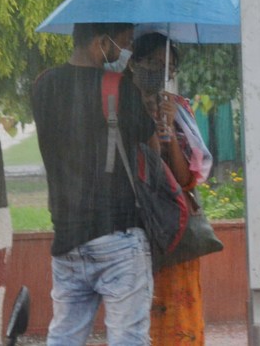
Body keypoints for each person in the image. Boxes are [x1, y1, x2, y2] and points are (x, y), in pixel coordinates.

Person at [31, 22, 158, 346]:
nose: (124, 52)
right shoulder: (118, 86)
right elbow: (152, 147)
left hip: (67, 238)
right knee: (127, 339)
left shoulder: (43, 85)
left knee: (64, 337)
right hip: (117, 235)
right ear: (100, 43)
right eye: (123, 43)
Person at [127, 32, 213, 346]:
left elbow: (184, 177)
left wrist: (169, 129)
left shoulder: (179, 110)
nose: (158, 72)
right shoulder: (121, 105)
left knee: (180, 310)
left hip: (174, 228)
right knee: (138, 314)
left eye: (167, 67)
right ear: (134, 62)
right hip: (134, 224)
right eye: (151, 62)